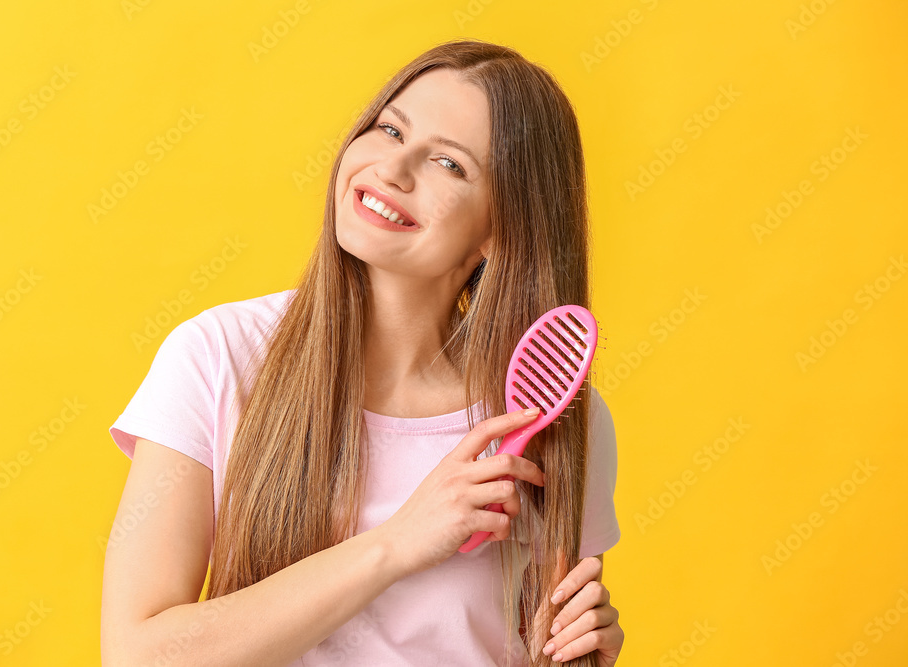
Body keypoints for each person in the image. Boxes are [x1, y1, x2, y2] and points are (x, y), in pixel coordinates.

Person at [101, 39, 624, 666]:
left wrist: (578, 649)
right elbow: (139, 655)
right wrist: (398, 543)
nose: (392, 170)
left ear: (501, 228)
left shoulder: (553, 414)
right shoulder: (217, 357)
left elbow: (542, 637)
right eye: (389, 129)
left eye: (449, 164)